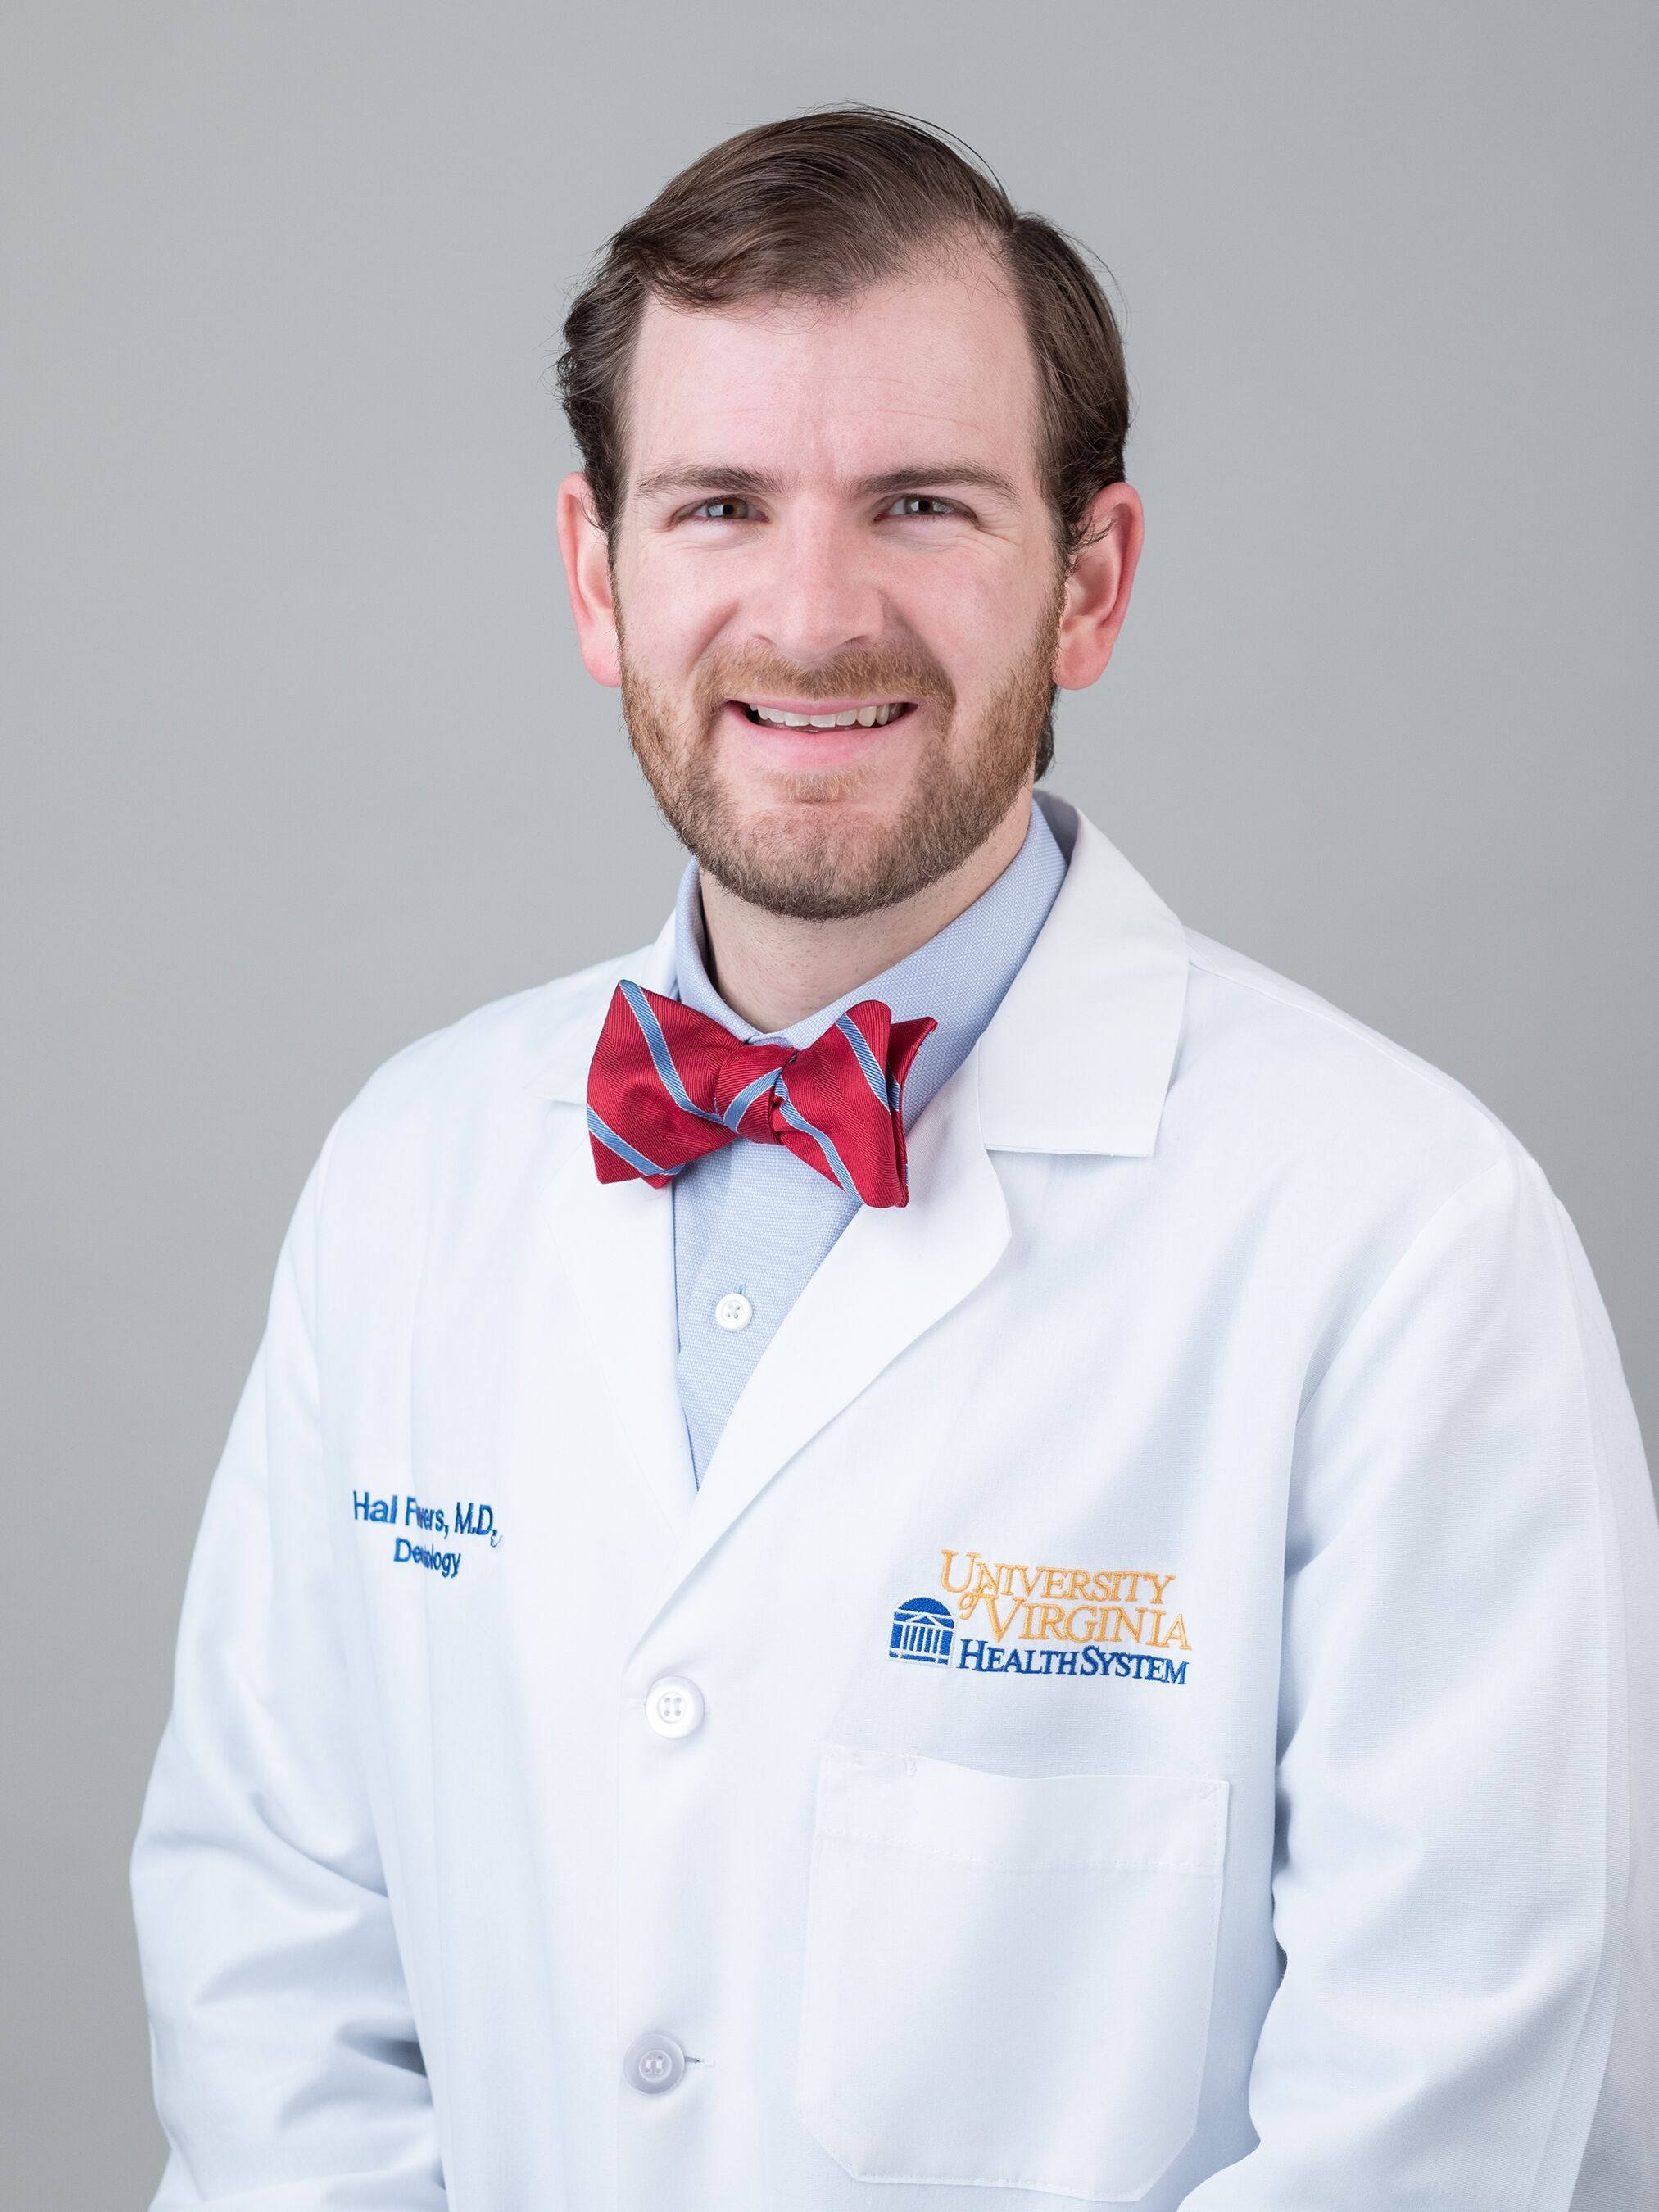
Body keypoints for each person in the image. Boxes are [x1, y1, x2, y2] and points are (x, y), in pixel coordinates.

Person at [130, 106, 1657, 2212]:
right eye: (718, 506)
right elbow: (270, 1973)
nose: (810, 612)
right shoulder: (408, 1175)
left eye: (920, 505)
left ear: (1087, 582)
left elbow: (1435, 2114)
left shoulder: (1405, 1243)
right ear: (596, 574)